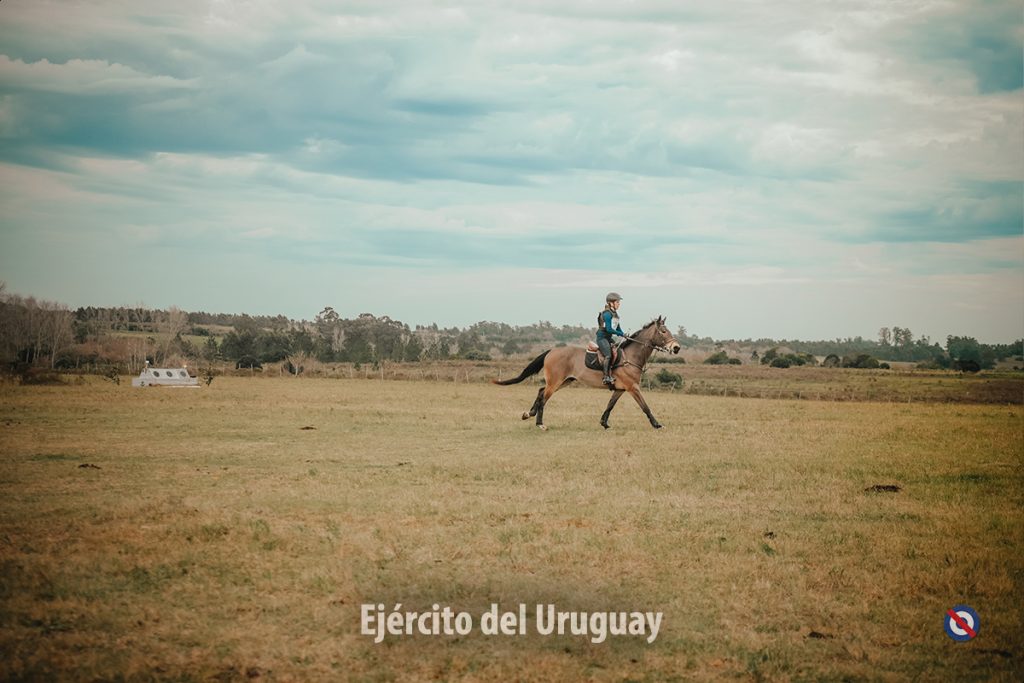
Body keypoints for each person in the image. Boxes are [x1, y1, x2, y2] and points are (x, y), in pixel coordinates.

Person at [596, 292, 627, 385]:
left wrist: (624, 334)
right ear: (611, 303)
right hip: (602, 338)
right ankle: (605, 377)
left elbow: (618, 328)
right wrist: (620, 333)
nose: (619, 304)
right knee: (608, 355)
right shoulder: (607, 314)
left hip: (608, 338)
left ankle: (613, 373)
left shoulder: (615, 314)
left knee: (617, 351)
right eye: (617, 302)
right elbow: (609, 329)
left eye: (619, 302)